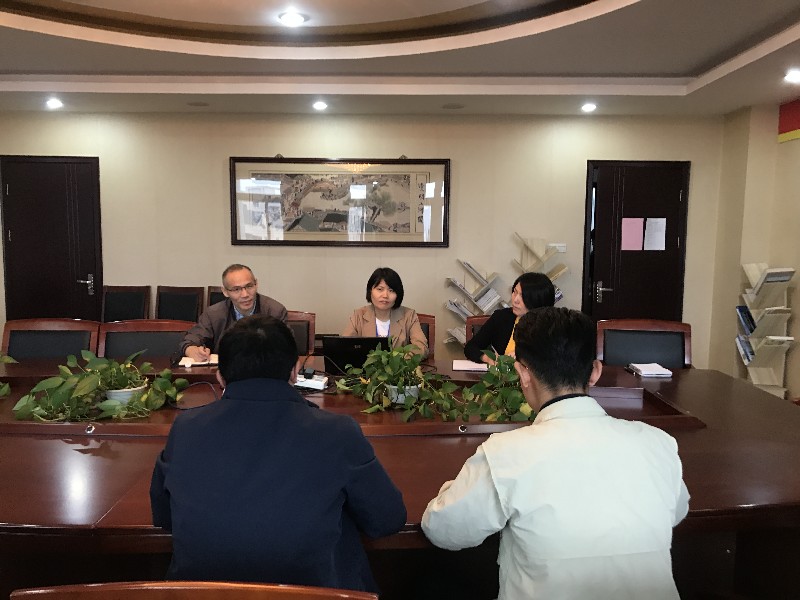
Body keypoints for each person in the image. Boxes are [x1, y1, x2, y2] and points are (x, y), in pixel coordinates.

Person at [422, 307, 690, 600]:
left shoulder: (505, 454)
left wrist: (455, 487)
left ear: (523, 374)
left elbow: (443, 529)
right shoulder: (658, 443)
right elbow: (677, 511)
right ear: (595, 372)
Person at [151, 315, 407, 592]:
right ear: (295, 371)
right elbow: (386, 519)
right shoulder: (337, 431)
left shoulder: (186, 428)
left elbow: (165, 517)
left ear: (220, 376)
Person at [180, 264, 287, 361]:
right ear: (225, 292)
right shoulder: (213, 314)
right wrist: (192, 350)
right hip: (224, 372)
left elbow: (286, 347)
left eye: (249, 286)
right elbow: (190, 340)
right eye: (236, 289)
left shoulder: (274, 311)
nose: (245, 294)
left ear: (256, 284)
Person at [463, 271, 554, 365]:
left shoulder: (552, 327)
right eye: (515, 292)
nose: (515, 300)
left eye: (523, 296)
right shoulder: (502, 317)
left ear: (538, 301)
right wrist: (488, 358)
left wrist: (523, 357)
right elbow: (471, 347)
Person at [342, 266, 428, 357]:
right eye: (380, 289)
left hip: (399, 365)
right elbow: (344, 347)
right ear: (370, 291)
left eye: (391, 290)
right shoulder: (358, 315)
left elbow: (421, 348)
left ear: (398, 294)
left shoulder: (409, 315)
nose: (385, 295)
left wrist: (401, 360)